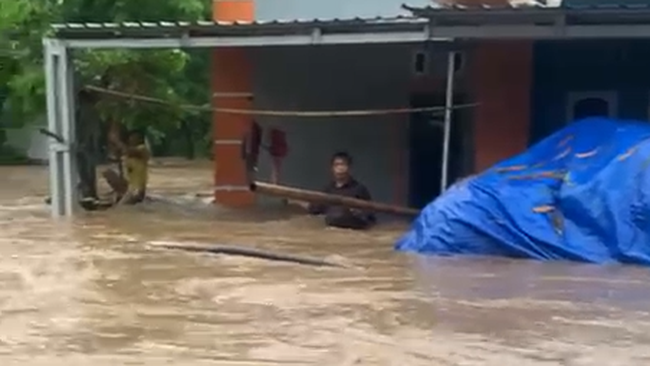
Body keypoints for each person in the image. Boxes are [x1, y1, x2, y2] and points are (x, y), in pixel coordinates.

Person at [303, 151, 376, 230]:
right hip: (331, 231)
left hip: (352, 232)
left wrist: (357, 213)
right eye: (337, 165)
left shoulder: (359, 189)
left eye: (343, 164)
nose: (340, 168)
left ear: (349, 167)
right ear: (332, 168)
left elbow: (370, 216)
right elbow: (315, 211)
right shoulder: (327, 190)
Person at [102, 129, 150, 205]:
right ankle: (120, 193)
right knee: (107, 173)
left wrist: (117, 141)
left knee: (121, 207)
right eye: (131, 137)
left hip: (136, 189)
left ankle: (125, 196)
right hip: (128, 185)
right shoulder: (128, 154)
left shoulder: (143, 149)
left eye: (135, 137)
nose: (132, 139)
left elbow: (129, 151)